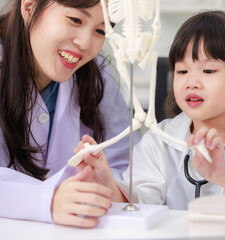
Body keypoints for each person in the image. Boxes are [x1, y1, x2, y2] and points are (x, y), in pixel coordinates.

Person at [81, 10, 225, 213]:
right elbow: (142, 198)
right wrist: (108, 184)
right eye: (182, 70)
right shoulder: (160, 139)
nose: (191, 82)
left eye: (208, 70)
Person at [0, 0, 137, 228]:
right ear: (29, 7)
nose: (85, 43)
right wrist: (47, 201)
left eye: (101, 30)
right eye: (75, 20)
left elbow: (127, 160)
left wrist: (105, 183)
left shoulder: (97, 76)